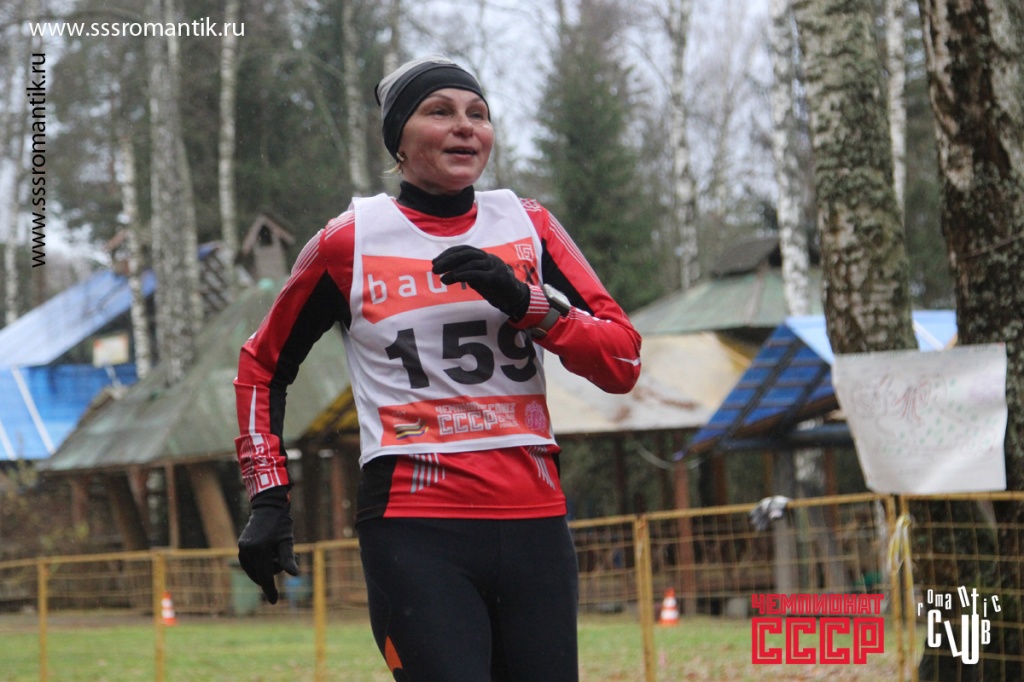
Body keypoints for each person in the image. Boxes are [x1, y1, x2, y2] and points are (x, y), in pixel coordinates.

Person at [234, 55, 642, 681]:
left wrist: (528, 304)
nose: (465, 126)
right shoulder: (349, 240)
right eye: (440, 111)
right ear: (398, 140)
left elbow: (623, 360)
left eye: (478, 114)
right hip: (416, 530)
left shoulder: (529, 223)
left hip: (535, 523)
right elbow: (261, 367)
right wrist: (268, 496)